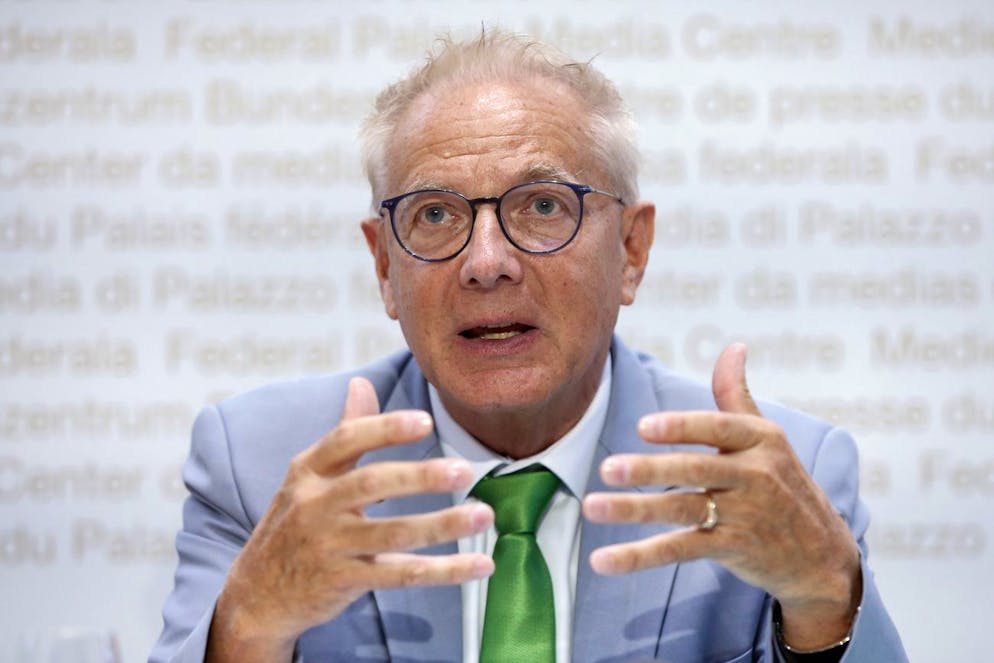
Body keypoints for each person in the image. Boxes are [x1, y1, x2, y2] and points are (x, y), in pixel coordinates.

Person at [150, 29, 907, 663]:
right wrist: (249, 624)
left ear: (632, 251)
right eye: (435, 215)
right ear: (384, 267)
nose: (486, 262)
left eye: (542, 205)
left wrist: (825, 598)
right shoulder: (257, 466)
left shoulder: (773, 478)